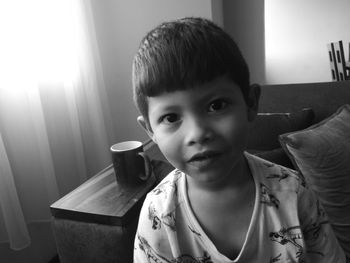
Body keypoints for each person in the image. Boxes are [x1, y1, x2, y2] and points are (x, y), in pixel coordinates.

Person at [131, 17, 345, 263]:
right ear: (150, 131)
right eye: (171, 117)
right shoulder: (156, 214)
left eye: (216, 105)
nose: (198, 133)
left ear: (250, 103)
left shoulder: (294, 194)